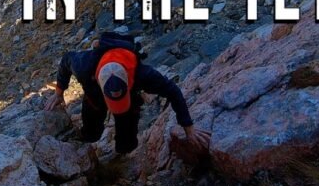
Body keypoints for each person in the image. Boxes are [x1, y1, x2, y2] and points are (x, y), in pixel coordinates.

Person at [44, 32, 210, 154]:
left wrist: (189, 128)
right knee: (91, 132)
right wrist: (59, 93)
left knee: (127, 140)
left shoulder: (142, 75)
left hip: (130, 99)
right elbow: (66, 60)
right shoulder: (84, 66)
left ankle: (123, 153)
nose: (115, 106)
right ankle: (90, 139)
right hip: (95, 95)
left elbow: (174, 92)